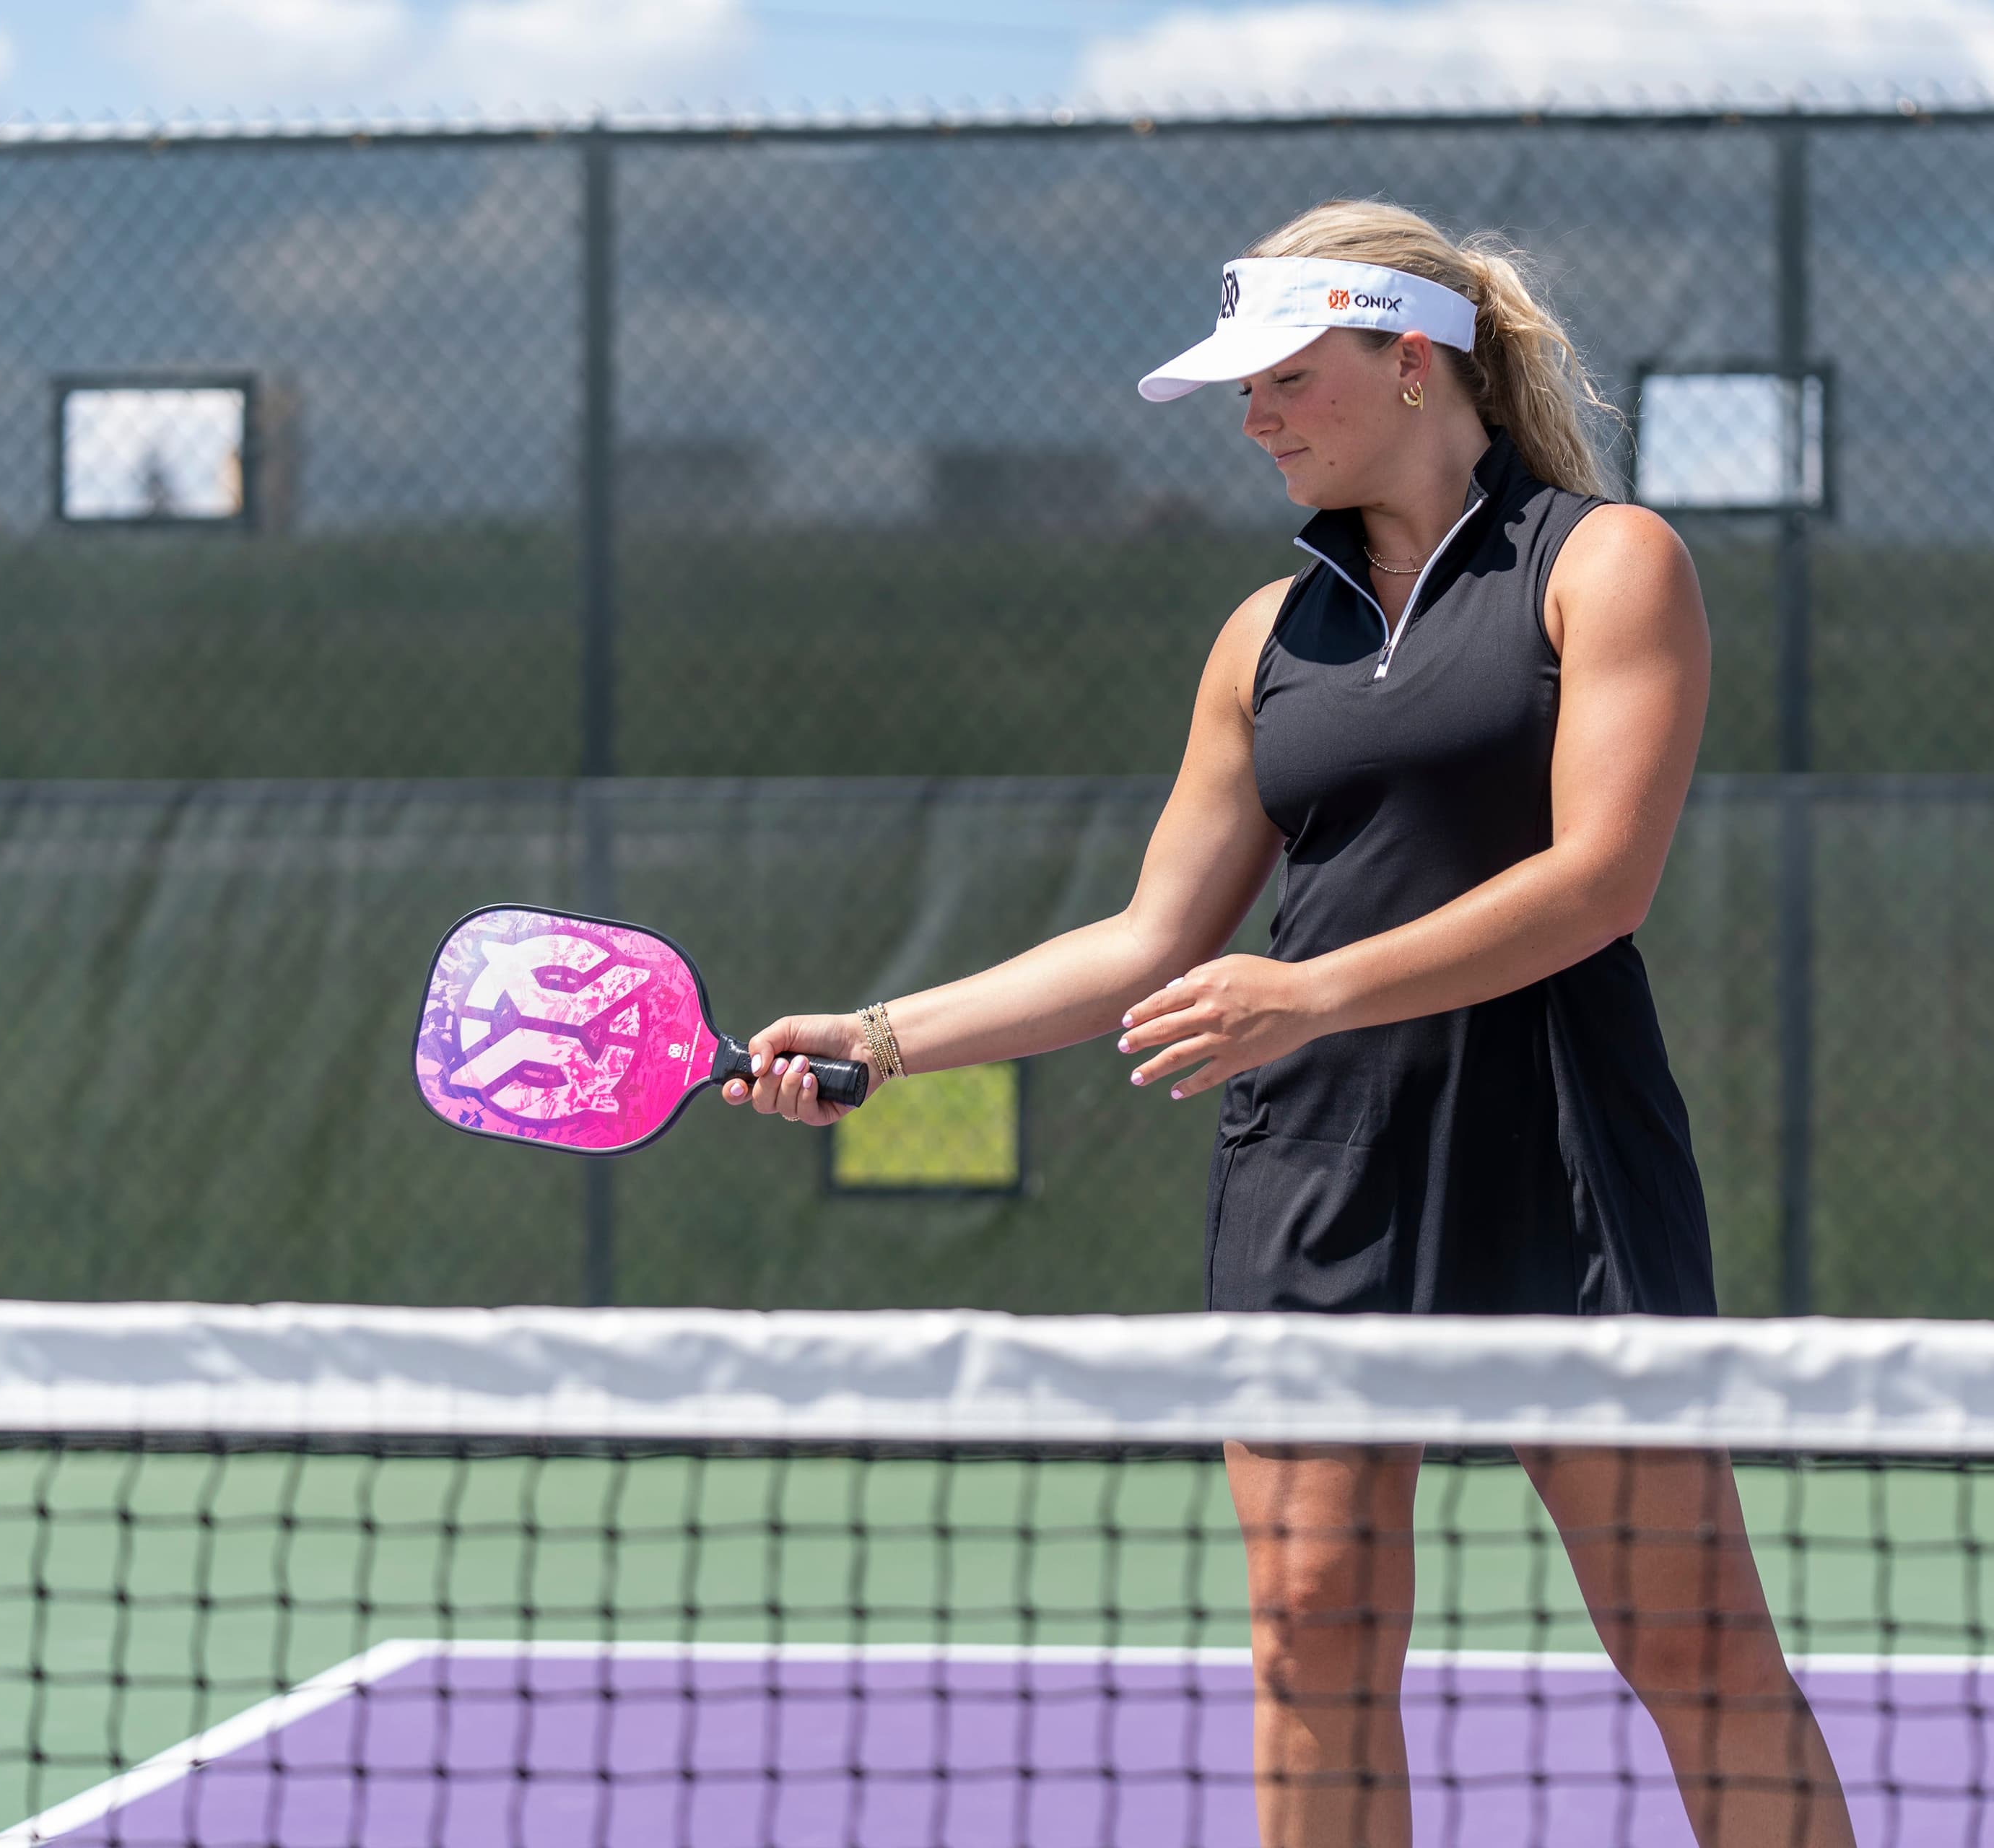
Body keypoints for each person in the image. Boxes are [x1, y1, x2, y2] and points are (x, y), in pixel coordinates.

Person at [724, 200, 1856, 1848]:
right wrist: (884, 1038)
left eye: (1282, 377)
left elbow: (1599, 880)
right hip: (1320, 1169)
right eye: (1240, 388)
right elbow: (1149, 940)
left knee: (1686, 1635)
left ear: (1410, 362)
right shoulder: (1263, 638)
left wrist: (1308, 987)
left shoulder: (1607, 562)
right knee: (1310, 1631)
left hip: (1556, 1143)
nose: (1253, 416)